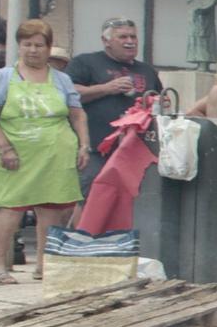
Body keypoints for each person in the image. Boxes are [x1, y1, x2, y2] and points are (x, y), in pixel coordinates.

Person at [0, 21, 86, 284]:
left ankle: (45, 266)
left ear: (47, 48)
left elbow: (78, 115)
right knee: (11, 209)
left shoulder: (62, 79)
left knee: (53, 210)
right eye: (27, 44)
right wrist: (5, 148)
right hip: (15, 157)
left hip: (56, 155)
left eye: (38, 45)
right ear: (19, 46)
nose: (33, 50)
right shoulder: (2, 78)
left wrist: (83, 145)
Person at [66, 17, 162, 196]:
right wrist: (106, 88)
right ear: (106, 41)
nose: (130, 42)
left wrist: (160, 103)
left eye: (133, 37)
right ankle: (84, 226)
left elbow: (159, 99)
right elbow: (68, 95)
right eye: (123, 37)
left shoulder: (147, 70)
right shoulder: (85, 62)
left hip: (136, 150)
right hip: (96, 149)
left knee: (131, 201)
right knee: (90, 199)